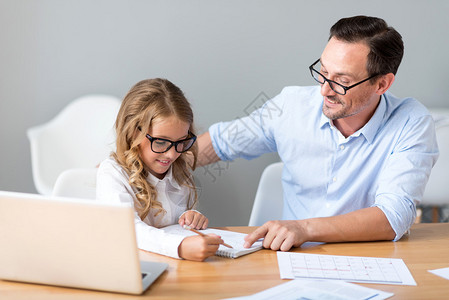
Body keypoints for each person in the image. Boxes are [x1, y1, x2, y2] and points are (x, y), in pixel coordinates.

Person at [197, 16, 439, 251]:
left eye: (341, 81)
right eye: (323, 72)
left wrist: (304, 229)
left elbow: (392, 217)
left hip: (369, 260)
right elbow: (220, 143)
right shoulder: (290, 105)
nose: (324, 90)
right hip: (292, 259)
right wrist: (163, 159)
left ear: (382, 84)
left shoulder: (411, 122)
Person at [97, 78, 223, 261]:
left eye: (181, 142)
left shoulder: (178, 171)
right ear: (133, 132)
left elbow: (175, 226)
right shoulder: (113, 174)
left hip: (170, 267)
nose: (172, 155)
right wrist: (180, 247)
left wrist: (191, 219)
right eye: (161, 142)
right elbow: (128, 230)